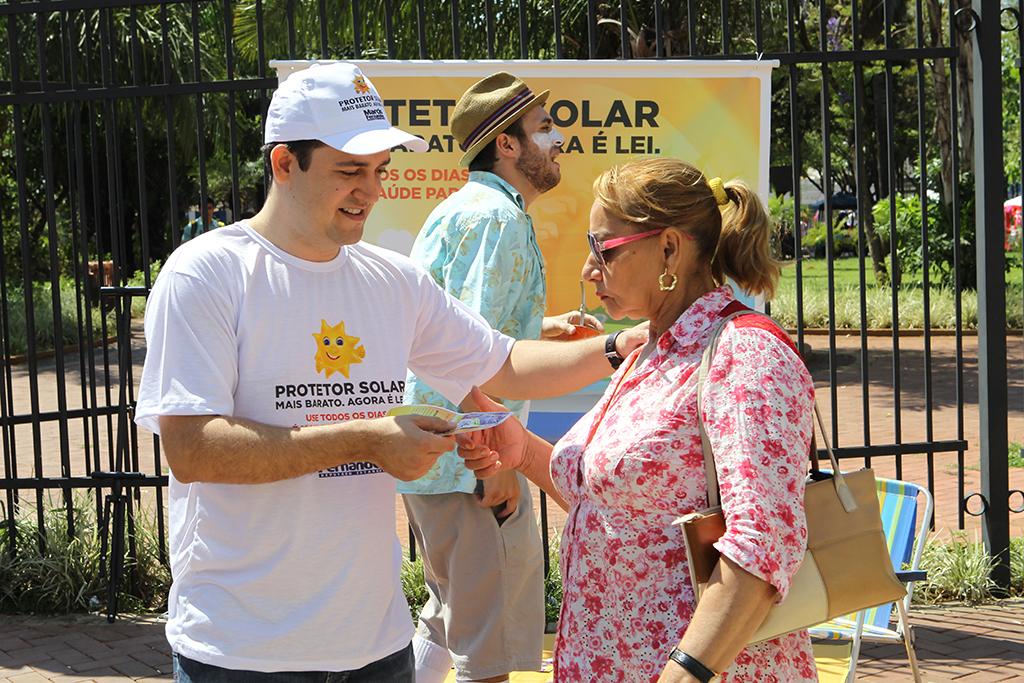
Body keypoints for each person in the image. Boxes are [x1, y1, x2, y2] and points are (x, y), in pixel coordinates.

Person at [134, 61, 643, 682]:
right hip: (242, 651)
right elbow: (191, 450)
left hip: (375, 649)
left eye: (379, 170)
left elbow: (505, 363)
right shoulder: (206, 274)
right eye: (349, 170)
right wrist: (366, 438)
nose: (372, 191)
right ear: (284, 164)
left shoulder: (391, 281)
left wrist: (630, 344)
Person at [459, 158, 818, 682]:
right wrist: (523, 452)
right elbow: (614, 508)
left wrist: (682, 673)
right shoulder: (650, 351)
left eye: (603, 250)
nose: (587, 270)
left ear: (669, 248)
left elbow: (763, 545)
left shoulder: (744, 355)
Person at [399, 72, 600, 683]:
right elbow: (464, 358)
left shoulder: (465, 209)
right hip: (469, 455)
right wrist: (497, 461)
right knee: (488, 651)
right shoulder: (498, 220)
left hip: (440, 450)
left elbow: (460, 332)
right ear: (506, 146)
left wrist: (540, 326)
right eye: (544, 128)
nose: (559, 138)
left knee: (448, 616)